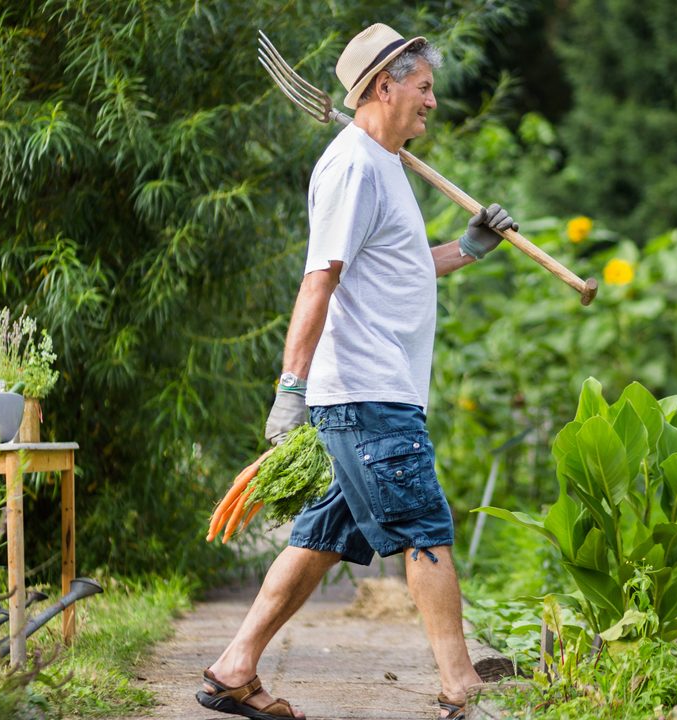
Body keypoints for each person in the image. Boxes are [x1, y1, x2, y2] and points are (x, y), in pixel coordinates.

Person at [196, 23, 516, 720]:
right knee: (425, 529)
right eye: (424, 88)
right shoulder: (353, 167)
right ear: (384, 87)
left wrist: (468, 248)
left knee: (323, 537)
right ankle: (462, 687)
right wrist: (291, 389)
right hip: (368, 395)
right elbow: (321, 279)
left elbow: (400, 270)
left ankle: (236, 664)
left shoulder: (387, 165)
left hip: (378, 390)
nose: (432, 102)